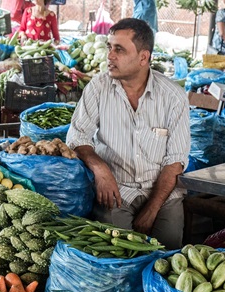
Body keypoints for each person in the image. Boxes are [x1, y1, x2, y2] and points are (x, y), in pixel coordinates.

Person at [66, 18, 191, 250]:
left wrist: (152, 210)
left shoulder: (173, 97)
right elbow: (77, 136)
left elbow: (175, 161)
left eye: (119, 50)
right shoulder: (98, 87)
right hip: (116, 189)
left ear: (144, 57)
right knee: (118, 256)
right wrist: (100, 169)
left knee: (168, 257)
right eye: (109, 48)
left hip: (162, 195)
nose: (110, 56)